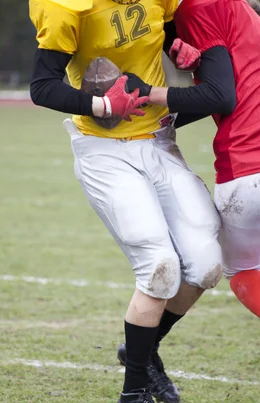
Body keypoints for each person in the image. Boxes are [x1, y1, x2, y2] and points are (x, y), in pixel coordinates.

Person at [126, 1, 260, 401]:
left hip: (249, 168)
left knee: (241, 272)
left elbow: (221, 96)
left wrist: (150, 97)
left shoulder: (206, 6)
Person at [27, 1, 224, 402]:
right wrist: (101, 105)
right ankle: (133, 392)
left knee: (206, 265)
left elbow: (165, 29)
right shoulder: (69, 6)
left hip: (158, 140)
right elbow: (41, 85)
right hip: (102, 148)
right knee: (159, 266)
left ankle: (142, 354)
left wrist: (178, 47)